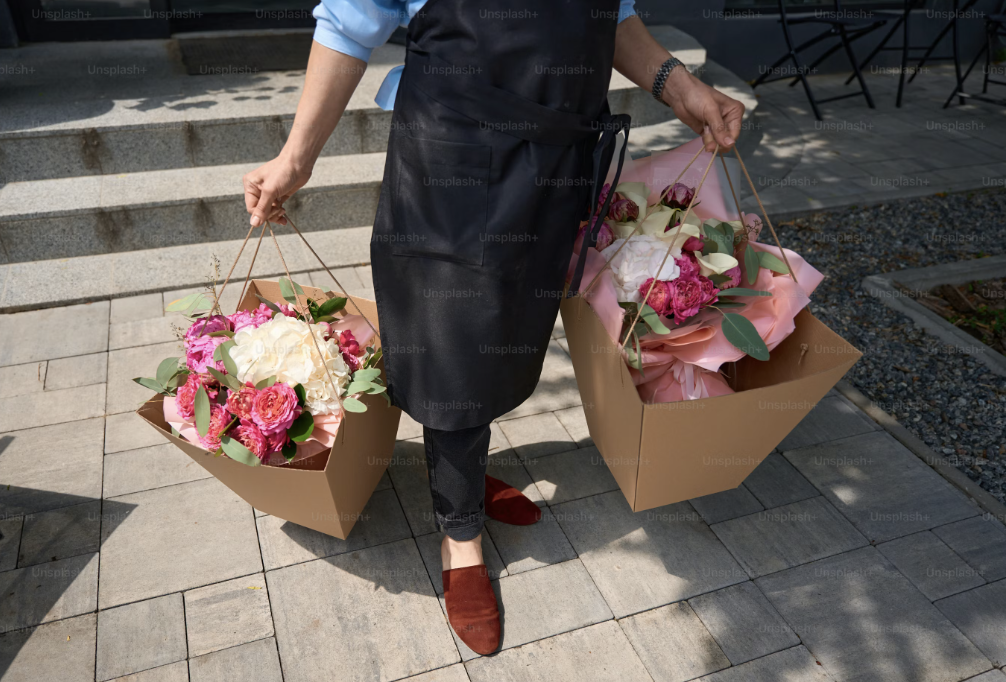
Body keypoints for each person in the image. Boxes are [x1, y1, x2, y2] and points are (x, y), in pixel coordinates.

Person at [243, 0, 744, 655]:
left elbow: (612, 15)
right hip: (455, 154)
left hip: (559, 159)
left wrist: (683, 90)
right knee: (453, 336)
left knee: (514, 325)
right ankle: (460, 535)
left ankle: (462, 472)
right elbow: (347, 21)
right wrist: (297, 159)